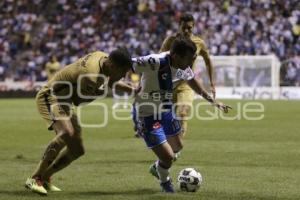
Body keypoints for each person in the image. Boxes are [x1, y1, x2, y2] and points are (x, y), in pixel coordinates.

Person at [25, 48, 137, 195]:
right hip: (52, 95)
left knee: (77, 150)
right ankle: (35, 178)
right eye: (123, 72)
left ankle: (45, 178)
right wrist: (104, 89)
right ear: (113, 66)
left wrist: (133, 90)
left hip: (66, 99)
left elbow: (109, 81)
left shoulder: (102, 57)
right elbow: (80, 100)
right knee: (66, 133)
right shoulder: (90, 76)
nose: (124, 76)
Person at [132, 38, 231, 193]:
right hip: (148, 115)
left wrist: (214, 101)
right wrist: (122, 85)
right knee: (168, 158)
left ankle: (157, 168)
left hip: (166, 111)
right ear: (176, 56)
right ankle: (165, 182)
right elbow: (127, 63)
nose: (190, 63)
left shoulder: (182, 68)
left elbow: (194, 83)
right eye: (188, 59)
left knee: (178, 147)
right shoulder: (155, 61)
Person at [160, 13, 216, 139]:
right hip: (169, 84)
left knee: (183, 112)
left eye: (189, 28)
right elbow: (160, 58)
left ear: (194, 27)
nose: (186, 30)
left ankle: (176, 149)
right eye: (184, 27)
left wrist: (212, 83)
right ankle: (169, 143)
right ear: (179, 26)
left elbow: (208, 61)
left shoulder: (199, 43)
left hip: (187, 84)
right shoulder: (170, 41)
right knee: (166, 118)